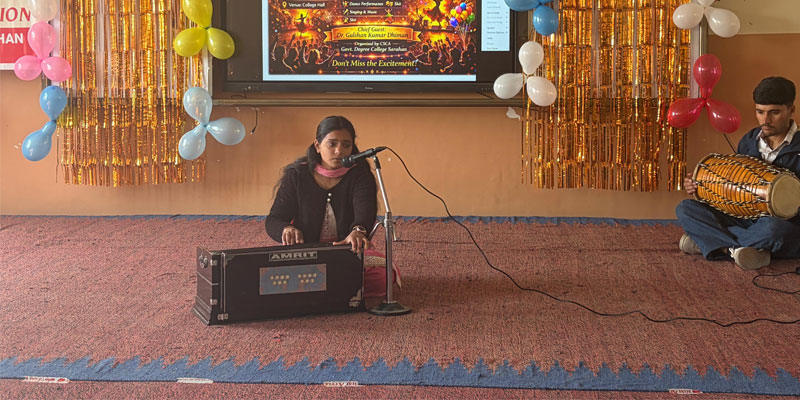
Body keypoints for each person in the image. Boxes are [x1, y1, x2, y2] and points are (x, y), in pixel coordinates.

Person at [676, 76, 800, 269]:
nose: (765, 120)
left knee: (775, 231)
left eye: (774, 112)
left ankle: (712, 243)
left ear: (791, 109)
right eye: (760, 112)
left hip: (779, 223)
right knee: (686, 208)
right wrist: (701, 185)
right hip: (744, 217)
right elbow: (735, 184)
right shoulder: (749, 141)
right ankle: (738, 250)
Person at [266, 115, 377, 253]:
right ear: (317, 146)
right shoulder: (297, 175)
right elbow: (274, 220)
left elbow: (365, 215)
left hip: (347, 251)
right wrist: (285, 229)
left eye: (346, 145)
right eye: (332, 144)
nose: (339, 151)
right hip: (304, 253)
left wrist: (358, 232)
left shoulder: (360, 175)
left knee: (380, 267)